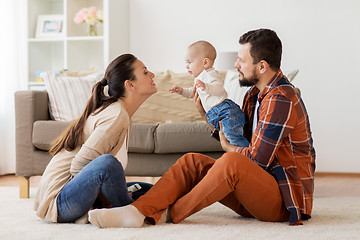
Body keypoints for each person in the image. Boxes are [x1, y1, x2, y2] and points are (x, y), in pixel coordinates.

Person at [88, 29, 316, 227]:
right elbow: (236, 139)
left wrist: (230, 150)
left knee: (232, 161)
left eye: (241, 60)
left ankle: (165, 215)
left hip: (285, 201)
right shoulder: (254, 95)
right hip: (257, 188)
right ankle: (138, 211)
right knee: (192, 162)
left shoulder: (281, 98)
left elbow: (258, 159)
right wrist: (203, 114)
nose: (236, 64)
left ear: (262, 66)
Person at [33, 54, 157, 224]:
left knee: (149, 190)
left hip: (72, 196)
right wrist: (101, 201)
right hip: (60, 203)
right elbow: (80, 166)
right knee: (108, 164)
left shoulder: (120, 113)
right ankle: (128, 213)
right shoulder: (116, 115)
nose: (152, 75)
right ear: (130, 84)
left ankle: (126, 208)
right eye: (145, 72)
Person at [169, 41, 249, 147]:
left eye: (189, 62)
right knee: (230, 138)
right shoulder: (200, 78)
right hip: (217, 114)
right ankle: (244, 155)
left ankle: (247, 156)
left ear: (205, 63)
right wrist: (182, 91)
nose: (186, 67)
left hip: (225, 111)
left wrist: (205, 87)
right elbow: (193, 92)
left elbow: (219, 88)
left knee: (234, 139)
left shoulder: (210, 74)